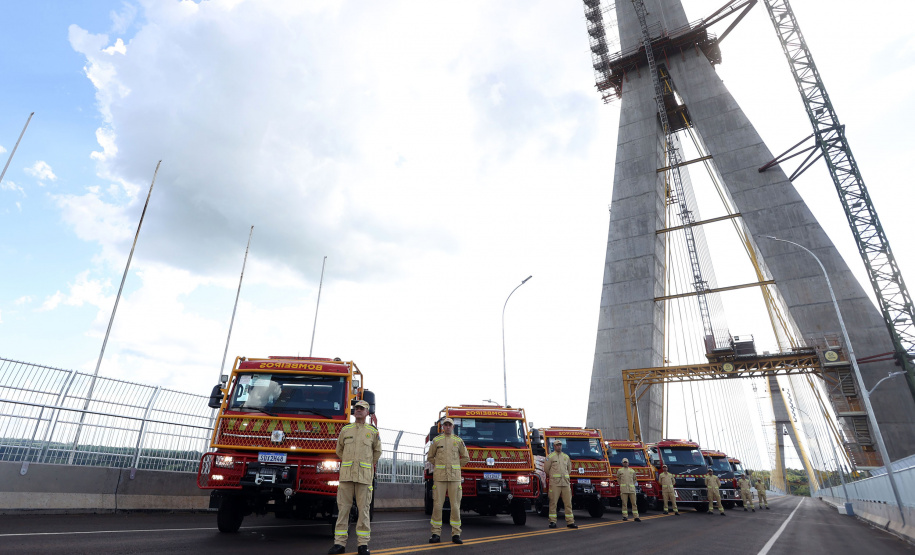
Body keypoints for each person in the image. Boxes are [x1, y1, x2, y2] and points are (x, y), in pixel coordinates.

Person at [329, 400, 382, 555]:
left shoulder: (372, 431)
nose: (358, 411)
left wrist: (366, 465)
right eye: (356, 408)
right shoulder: (346, 430)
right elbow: (339, 450)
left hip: (364, 478)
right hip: (346, 477)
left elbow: (377, 452)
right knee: (343, 511)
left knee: (363, 511)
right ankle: (339, 544)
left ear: (367, 412)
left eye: (362, 409)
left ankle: (363, 545)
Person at [427, 417, 471, 544]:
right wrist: (440, 466)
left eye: (449, 425)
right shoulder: (436, 441)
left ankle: (456, 534)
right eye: (445, 425)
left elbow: (466, 457)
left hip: (454, 478)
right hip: (440, 478)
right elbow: (430, 457)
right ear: (442, 427)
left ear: (453, 427)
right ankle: (435, 534)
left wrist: (455, 466)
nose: (447, 427)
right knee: (437, 506)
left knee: (455, 507)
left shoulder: (458, 441)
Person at [544, 439, 578, 529]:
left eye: (560, 445)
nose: (559, 446)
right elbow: (546, 469)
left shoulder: (566, 457)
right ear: (554, 446)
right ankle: (552, 521)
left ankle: (570, 522)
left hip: (565, 483)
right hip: (555, 483)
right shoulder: (550, 457)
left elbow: (569, 469)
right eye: (557, 445)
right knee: (553, 503)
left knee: (568, 503)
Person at [617, 458, 640, 522]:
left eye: (626, 462)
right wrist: (621, 484)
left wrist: (632, 484)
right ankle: (625, 516)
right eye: (624, 462)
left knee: (634, 503)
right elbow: (618, 478)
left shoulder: (632, 470)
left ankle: (636, 517)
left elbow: (635, 479)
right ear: (622, 463)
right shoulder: (620, 470)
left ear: (628, 463)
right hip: (624, 490)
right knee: (624, 503)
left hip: (631, 489)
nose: (625, 463)